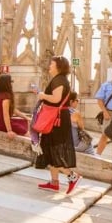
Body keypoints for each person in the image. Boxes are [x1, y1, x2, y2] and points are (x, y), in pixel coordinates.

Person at [36, 56, 81, 193]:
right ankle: (54, 182)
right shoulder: (59, 80)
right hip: (58, 118)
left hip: (57, 120)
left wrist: (42, 95)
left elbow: (56, 99)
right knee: (50, 148)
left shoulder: (59, 80)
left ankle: (72, 176)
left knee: (54, 149)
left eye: (52, 64)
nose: (49, 65)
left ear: (59, 67)